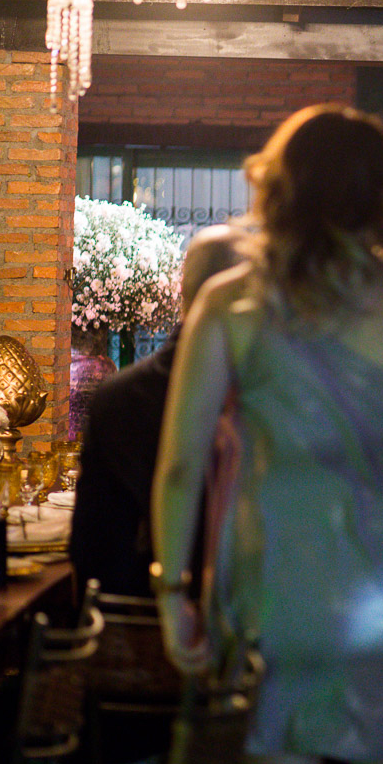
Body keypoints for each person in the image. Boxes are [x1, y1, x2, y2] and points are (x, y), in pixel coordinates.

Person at [151, 106, 383, 764]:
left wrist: (174, 596)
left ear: (281, 187)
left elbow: (181, 468)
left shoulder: (230, 301)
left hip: (280, 588)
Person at [71, 223, 244, 598]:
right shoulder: (265, 393)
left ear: (182, 290)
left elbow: (91, 551)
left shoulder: (117, 396)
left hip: (137, 612)